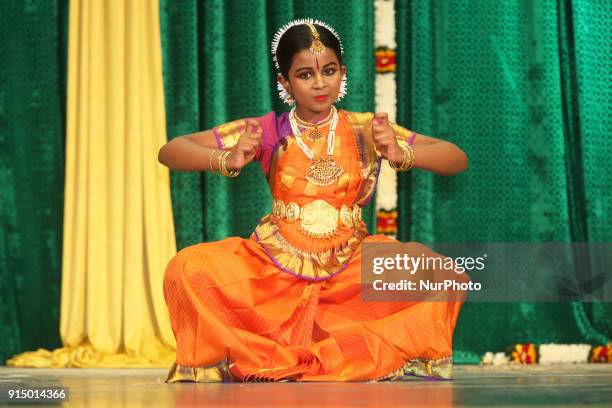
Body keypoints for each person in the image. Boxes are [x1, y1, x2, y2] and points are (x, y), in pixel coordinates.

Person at [158, 18, 469, 383]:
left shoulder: (367, 128)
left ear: (342, 73)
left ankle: (351, 352)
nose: (320, 83)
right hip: (273, 269)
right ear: (285, 83)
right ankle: (255, 354)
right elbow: (171, 151)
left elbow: (455, 158)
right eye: (305, 74)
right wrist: (227, 158)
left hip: (351, 267)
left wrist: (401, 153)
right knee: (187, 269)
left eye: (330, 71)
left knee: (439, 275)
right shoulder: (268, 129)